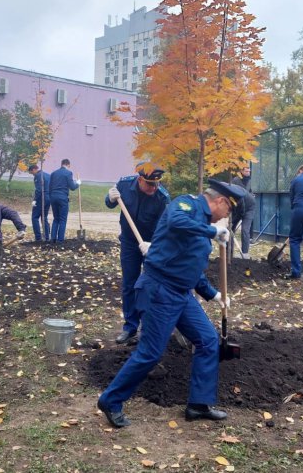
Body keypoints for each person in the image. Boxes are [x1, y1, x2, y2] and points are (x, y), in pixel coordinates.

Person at [96, 180, 242, 428]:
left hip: (181, 293)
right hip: (159, 290)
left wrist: (213, 294)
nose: (224, 218)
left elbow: (189, 267)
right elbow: (177, 222)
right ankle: (111, 400)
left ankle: (199, 404)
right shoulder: (185, 204)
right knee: (150, 353)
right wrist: (212, 232)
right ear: (220, 201)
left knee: (207, 340)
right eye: (227, 212)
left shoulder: (203, 225)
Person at [104, 162, 170, 344]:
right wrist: (109, 198)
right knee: (129, 284)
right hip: (129, 242)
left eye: (157, 184)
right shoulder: (124, 185)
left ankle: (148, 330)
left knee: (150, 285)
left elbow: (164, 228)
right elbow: (110, 203)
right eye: (150, 184)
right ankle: (130, 327)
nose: (154, 187)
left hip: (151, 244)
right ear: (140, 179)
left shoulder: (162, 197)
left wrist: (153, 245)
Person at [49, 159, 81, 243]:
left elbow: (50, 187)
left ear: (61, 164)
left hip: (53, 197)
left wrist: (51, 196)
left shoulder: (53, 173)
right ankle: (60, 240)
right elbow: (72, 187)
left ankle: (53, 239)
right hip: (62, 198)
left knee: (56, 219)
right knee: (63, 220)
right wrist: (78, 183)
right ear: (68, 165)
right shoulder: (68, 173)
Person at [229, 166, 256, 259]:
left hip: (249, 207)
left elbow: (251, 191)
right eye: (246, 171)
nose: (248, 172)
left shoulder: (251, 181)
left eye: (249, 171)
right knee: (230, 229)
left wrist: (252, 195)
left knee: (245, 230)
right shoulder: (235, 181)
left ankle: (245, 254)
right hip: (238, 207)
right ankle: (229, 253)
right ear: (241, 171)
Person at [28, 164, 52, 241]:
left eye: (31, 173)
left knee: (34, 217)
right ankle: (47, 237)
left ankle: (38, 238)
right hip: (48, 198)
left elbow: (39, 190)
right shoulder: (48, 175)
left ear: (34, 169)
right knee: (44, 217)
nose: (32, 174)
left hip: (41, 198)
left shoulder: (38, 176)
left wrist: (34, 200)